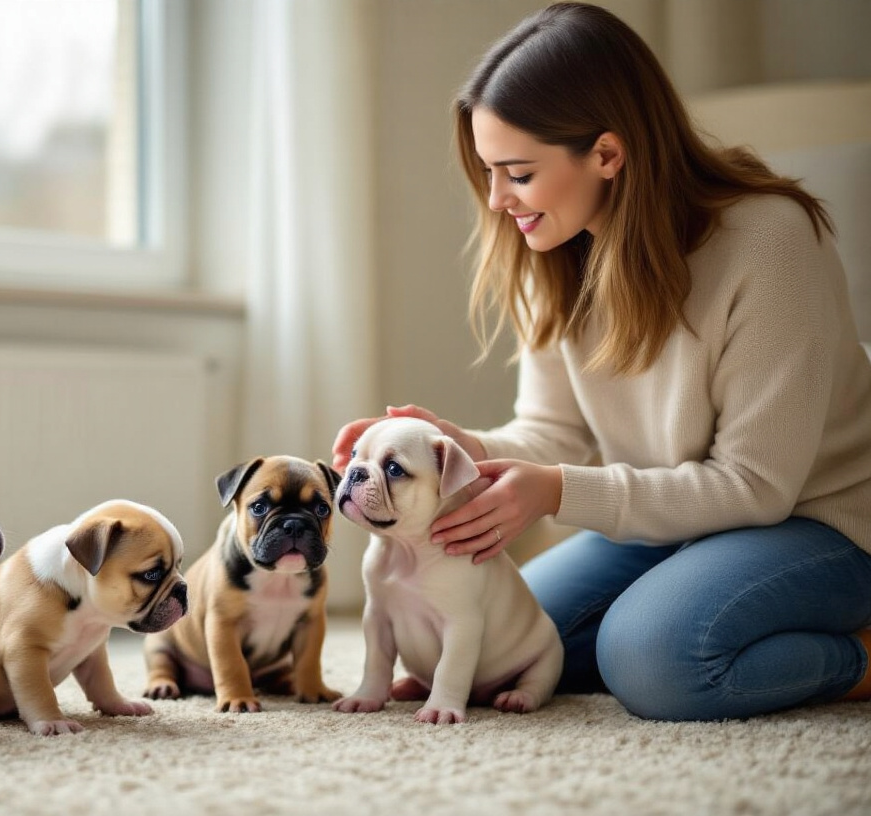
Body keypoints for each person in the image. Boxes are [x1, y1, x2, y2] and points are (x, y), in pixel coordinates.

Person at [332, 2, 871, 722]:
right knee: (511, 635)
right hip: (678, 521)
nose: (497, 201)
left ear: (608, 155)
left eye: (517, 173)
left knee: (651, 658)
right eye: (490, 173)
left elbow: (757, 486)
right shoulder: (558, 251)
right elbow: (553, 432)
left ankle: (859, 657)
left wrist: (555, 492)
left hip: (824, 521)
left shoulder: (768, 243)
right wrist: (468, 450)